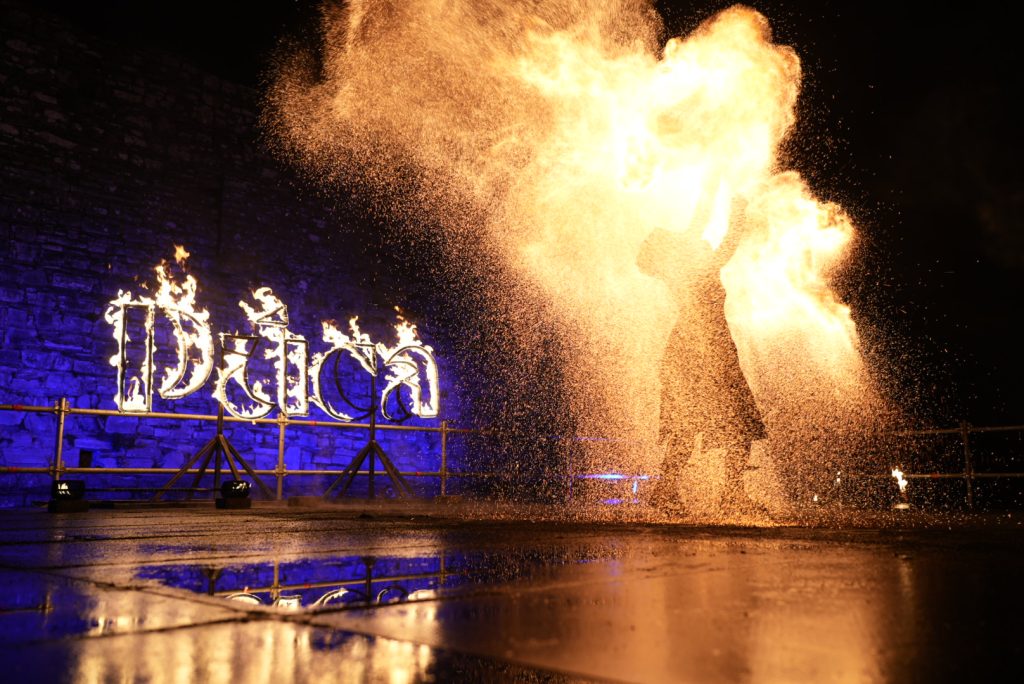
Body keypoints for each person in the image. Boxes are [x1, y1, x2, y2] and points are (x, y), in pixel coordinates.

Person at [637, 207, 767, 516]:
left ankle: (667, 489)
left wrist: (713, 179)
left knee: (689, 425)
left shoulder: (683, 267)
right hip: (705, 353)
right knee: (739, 423)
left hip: (693, 351)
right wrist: (739, 211)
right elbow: (728, 241)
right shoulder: (699, 268)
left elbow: (700, 218)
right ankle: (730, 495)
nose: (699, 240)